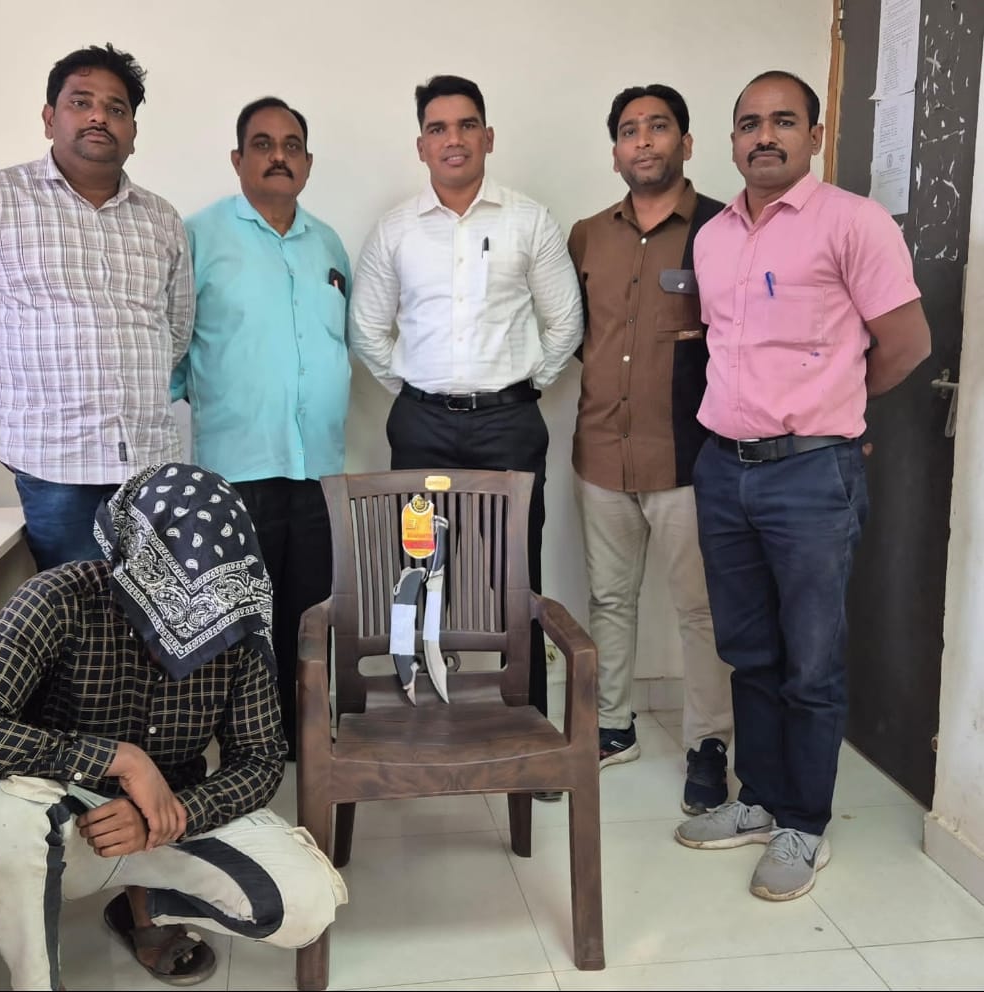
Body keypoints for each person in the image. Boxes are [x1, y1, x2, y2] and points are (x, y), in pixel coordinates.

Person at [0, 462, 348, 990]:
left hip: (170, 819)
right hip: (63, 822)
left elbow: (259, 760)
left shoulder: (235, 621)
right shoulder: (57, 597)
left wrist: (176, 814)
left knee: (308, 904)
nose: (185, 623)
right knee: (2, 820)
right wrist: (121, 759)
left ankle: (144, 908)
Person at [674, 71, 931, 901]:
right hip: (724, 469)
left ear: (813, 136)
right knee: (748, 651)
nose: (764, 136)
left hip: (811, 474)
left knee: (811, 660)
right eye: (749, 123)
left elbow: (906, 343)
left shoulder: (852, 223)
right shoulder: (713, 236)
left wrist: (834, 413)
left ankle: (804, 825)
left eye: (783, 121)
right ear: (731, 140)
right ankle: (759, 800)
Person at [349, 75, 583, 765]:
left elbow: (565, 323)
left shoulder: (528, 221)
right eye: (438, 128)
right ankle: (420, 725)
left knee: (517, 576)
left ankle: (528, 733)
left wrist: (519, 387)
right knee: (419, 575)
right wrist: (419, 391)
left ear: (488, 136)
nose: (453, 139)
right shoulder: (395, 229)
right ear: (421, 144)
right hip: (421, 426)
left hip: (508, 426)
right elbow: (367, 330)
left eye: (466, 125)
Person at [0, 43, 194, 571]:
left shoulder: (161, 217)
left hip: (151, 460)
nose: (99, 117)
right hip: (57, 465)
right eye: (81, 102)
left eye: (116, 108)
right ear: (49, 118)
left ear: (133, 132)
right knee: (73, 612)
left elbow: (176, 326)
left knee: (158, 613)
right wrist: (13, 385)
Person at [568, 84, 733, 813]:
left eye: (658, 127)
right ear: (614, 152)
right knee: (609, 598)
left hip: (688, 455)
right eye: (629, 130)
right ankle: (612, 726)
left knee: (701, 609)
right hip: (601, 449)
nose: (643, 140)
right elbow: (578, 336)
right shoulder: (586, 236)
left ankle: (708, 744)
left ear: (685, 143)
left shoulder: (725, 228)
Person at [172, 96, 351, 760]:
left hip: (318, 467)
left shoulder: (328, 242)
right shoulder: (197, 236)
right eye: (263, 143)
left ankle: (303, 736)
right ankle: (247, 745)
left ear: (308, 161)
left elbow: (343, 339)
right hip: (236, 469)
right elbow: (172, 347)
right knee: (241, 617)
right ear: (237, 157)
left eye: (292, 145)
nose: (279, 156)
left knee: (310, 612)